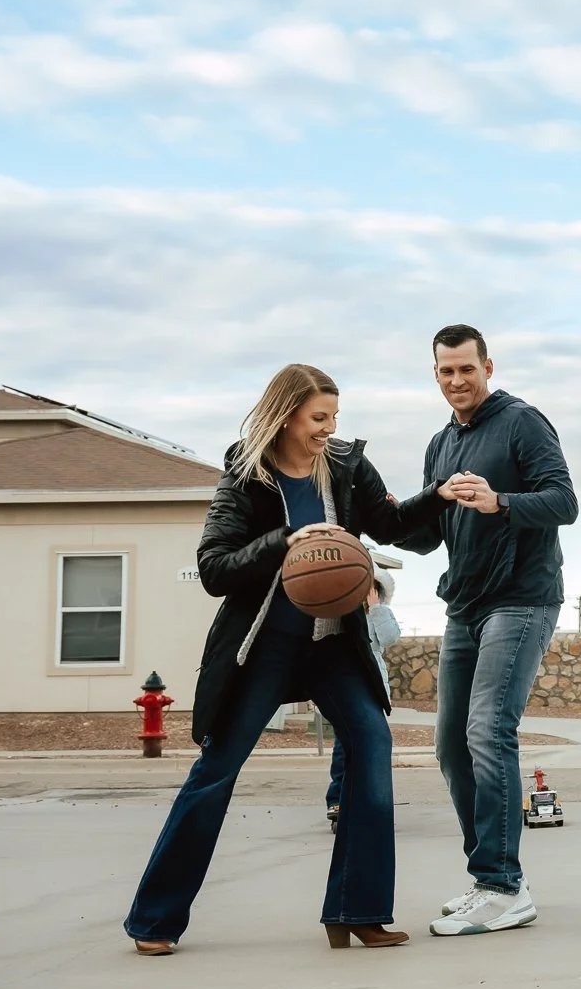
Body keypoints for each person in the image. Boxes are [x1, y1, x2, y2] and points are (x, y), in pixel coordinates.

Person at [124, 365, 453, 954]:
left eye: (334, 417)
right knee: (216, 771)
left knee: (373, 745)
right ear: (286, 415)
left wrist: (439, 494)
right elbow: (214, 568)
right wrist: (283, 542)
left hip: (332, 644)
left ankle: (359, 910)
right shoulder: (247, 475)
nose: (329, 428)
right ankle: (154, 919)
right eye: (318, 418)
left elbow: (391, 523)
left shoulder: (348, 467)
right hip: (262, 647)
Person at [399, 324, 579, 937]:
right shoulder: (441, 444)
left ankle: (502, 885)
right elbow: (424, 539)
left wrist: (499, 501)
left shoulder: (522, 423)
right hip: (465, 606)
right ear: (436, 375)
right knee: (450, 745)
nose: (457, 381)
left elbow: (564, 503)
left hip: (522, 599)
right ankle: (495, 879)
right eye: (446, 372)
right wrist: (417, 503)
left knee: (487, 730)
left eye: (466, 370)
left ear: (488, 366)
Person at [326, 565, 401, 832]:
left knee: (373, 747)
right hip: (345, 687)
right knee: (343, 748)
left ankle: (370, 802)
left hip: (372, 690)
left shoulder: (380, 615)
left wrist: (377, 608)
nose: (367, 594)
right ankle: (337, 800)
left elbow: (390, 638)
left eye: (373, 590)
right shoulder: (341, 613)